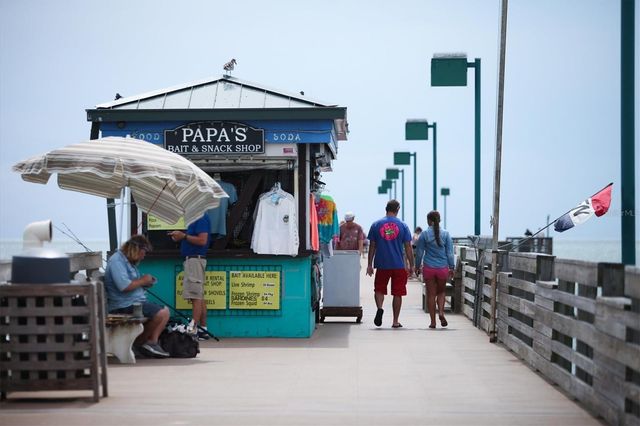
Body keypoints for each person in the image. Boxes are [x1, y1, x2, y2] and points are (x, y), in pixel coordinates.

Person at [104, 235, 170, 358]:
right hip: (123, 305)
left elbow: (134, 283)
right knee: (161, 314)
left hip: (133, 302)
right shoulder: (117, 261)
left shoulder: (128, 262)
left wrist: (146, 282)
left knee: (165, 311)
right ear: (136, 249)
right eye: (144, 251)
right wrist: (143, 280)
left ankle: (151, 343)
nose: (144, 256)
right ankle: (139, 344)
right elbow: (124, 286)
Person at [366, 200, 414, 328]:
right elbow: (408, 247)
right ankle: (395, 321)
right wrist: (412, 265)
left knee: (379, 289)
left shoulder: (376, 224)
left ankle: (380, 308)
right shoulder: (403, 225)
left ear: (386, 209)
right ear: (397, 209)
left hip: (382, 263)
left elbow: (372, 246)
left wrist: (369, 264)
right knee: (397, 293)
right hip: (399, 264)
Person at [168, 213, 211, 341]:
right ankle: (203, 329)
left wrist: (184, 236)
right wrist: (181, 237)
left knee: (195, 296)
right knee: (199, 296)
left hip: (194, 261)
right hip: (193, 260)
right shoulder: (196, 218)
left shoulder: (201, 217)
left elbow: (202, 240)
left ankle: (193, 329)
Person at [415, 210, 455, 329]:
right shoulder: (446, 234)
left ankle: (433, 322)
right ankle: (441, 313)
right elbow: (450, 253)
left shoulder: (424, 234)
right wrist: (451, 267)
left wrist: (417, 266)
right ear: (439, 220)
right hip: (442, 268)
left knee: (431, 295)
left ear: (429, 221)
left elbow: (419, 252)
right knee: (441, 292)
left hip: (429, 268)